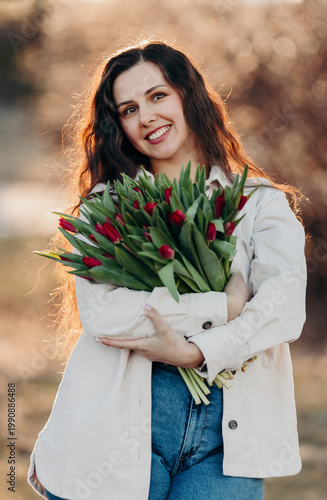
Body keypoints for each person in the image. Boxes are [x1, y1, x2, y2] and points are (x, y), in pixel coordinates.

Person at [28, 40, 306, 500]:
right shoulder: (109, 206)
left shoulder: (258, 204)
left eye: (158, 96)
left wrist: (195, 352)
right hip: (118, 432)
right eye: (129, 108)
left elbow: (283, 308)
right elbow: (109, 316)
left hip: (224, 443)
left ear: (187, 95)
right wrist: (226, 305)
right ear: (118, 124)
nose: (147, 117)